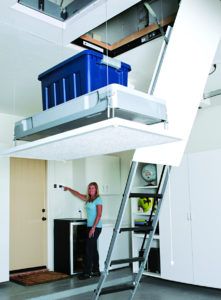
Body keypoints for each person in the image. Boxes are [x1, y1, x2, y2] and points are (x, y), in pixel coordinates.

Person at [63, 182, 102, 280]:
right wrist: (69, 189)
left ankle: (87, 273)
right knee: (93, 249)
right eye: (89, 188)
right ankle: (96, 271)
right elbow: (77, 194)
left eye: (92, 188)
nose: (90, 190)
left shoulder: (98, 199)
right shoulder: (88, 199)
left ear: (96, 189)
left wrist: (93, 228)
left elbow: (99, 215)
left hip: (96, 227)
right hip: (90, 226)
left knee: (88, 249)